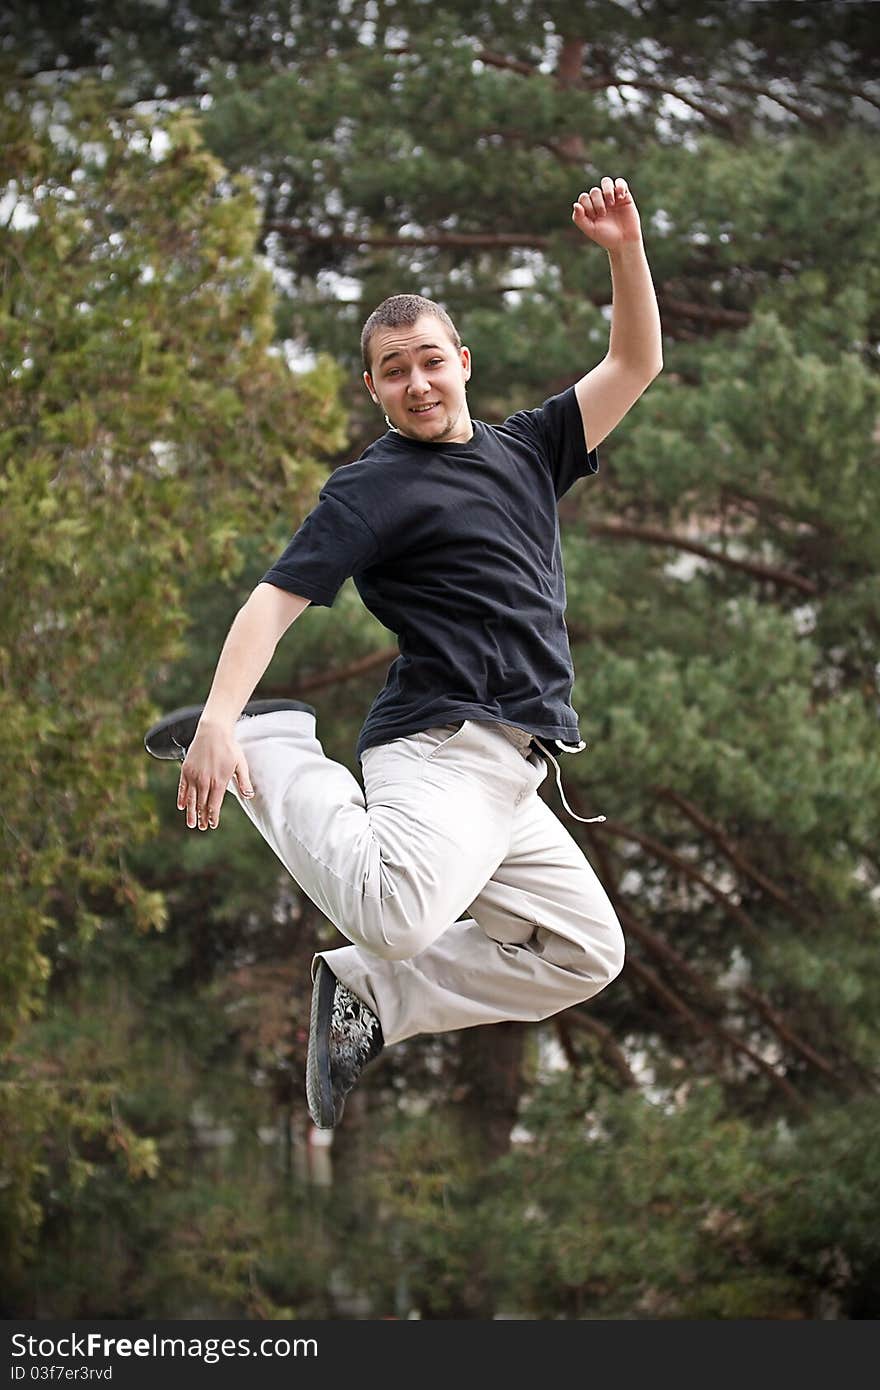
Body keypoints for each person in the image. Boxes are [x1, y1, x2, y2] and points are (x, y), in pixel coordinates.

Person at [145, 175, 663, 1129]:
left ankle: (374, 1000)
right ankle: (271, 746)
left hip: (514, 773)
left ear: (462, 361)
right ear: (375, 387)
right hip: (437, 749)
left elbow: (633, 363)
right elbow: (275, 599)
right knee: (392, 915)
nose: (417, 383)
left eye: (430, 361)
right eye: (394, 370)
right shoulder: (374, 488)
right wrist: (220, 720)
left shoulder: (529, 449)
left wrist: (625, 251)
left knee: (586, 954)